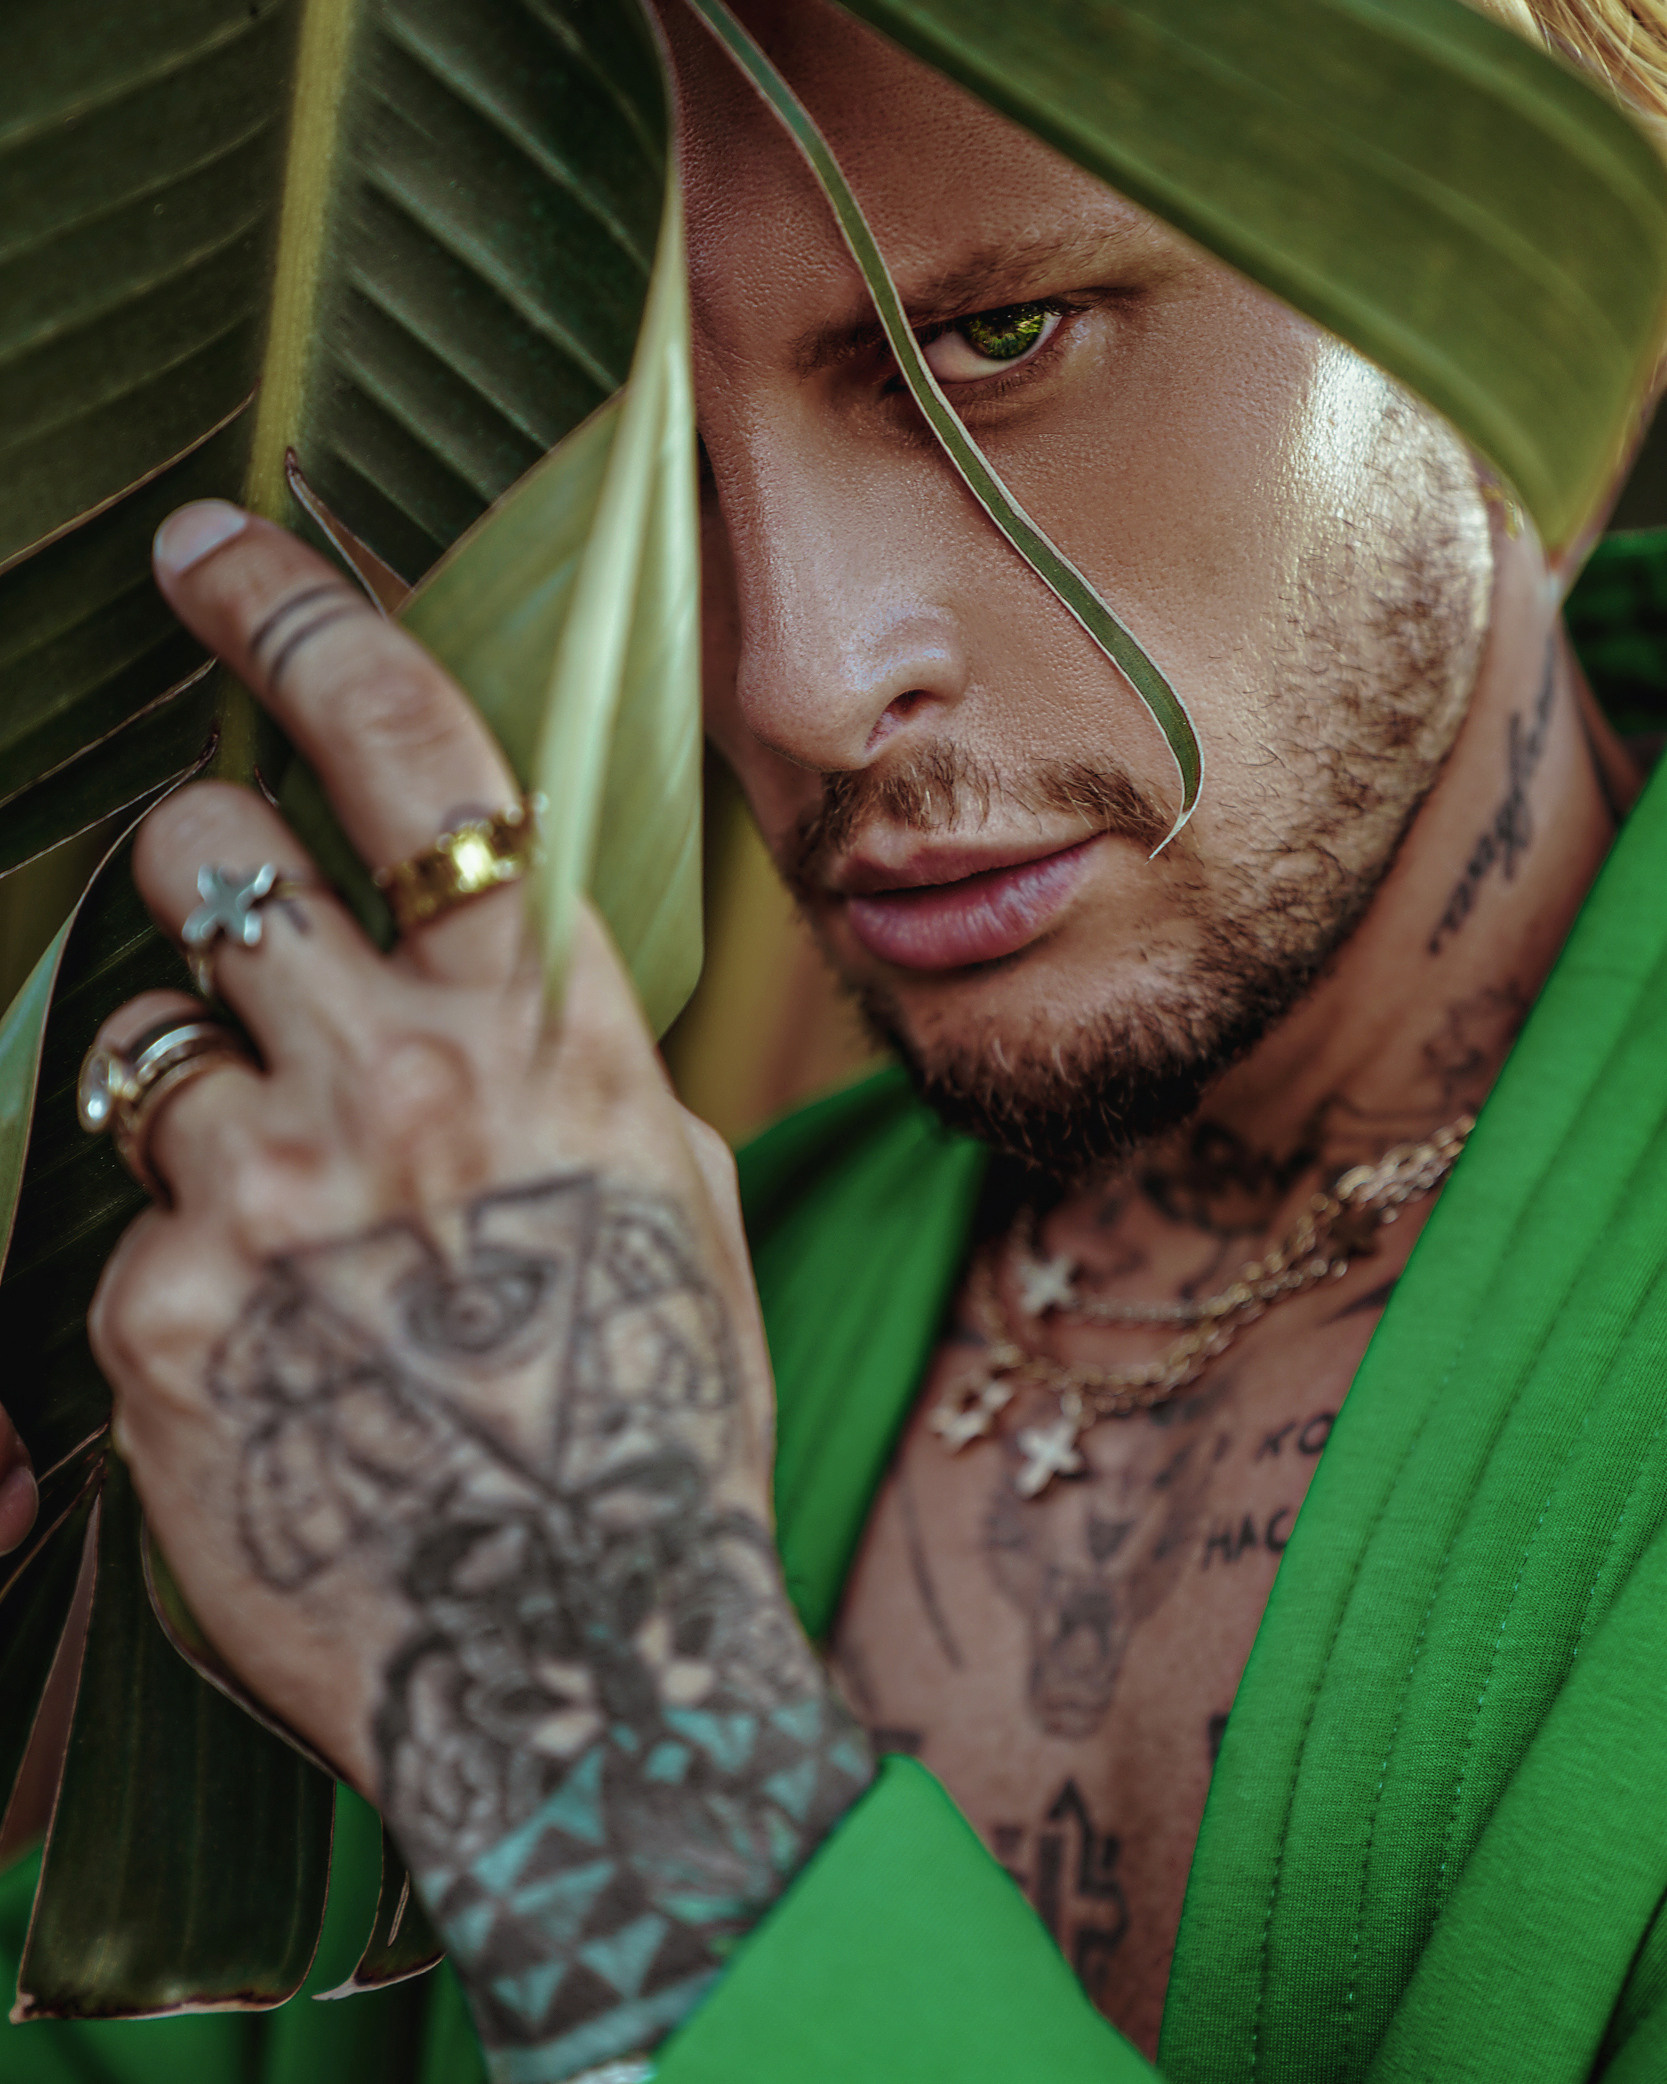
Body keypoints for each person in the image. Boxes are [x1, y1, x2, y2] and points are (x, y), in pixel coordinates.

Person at [5, 0, 1667, 2077]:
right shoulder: (547, 1333)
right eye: (652, 471)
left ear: (1499, 226)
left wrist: (615, 1754)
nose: (792, 678)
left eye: (999, 342)